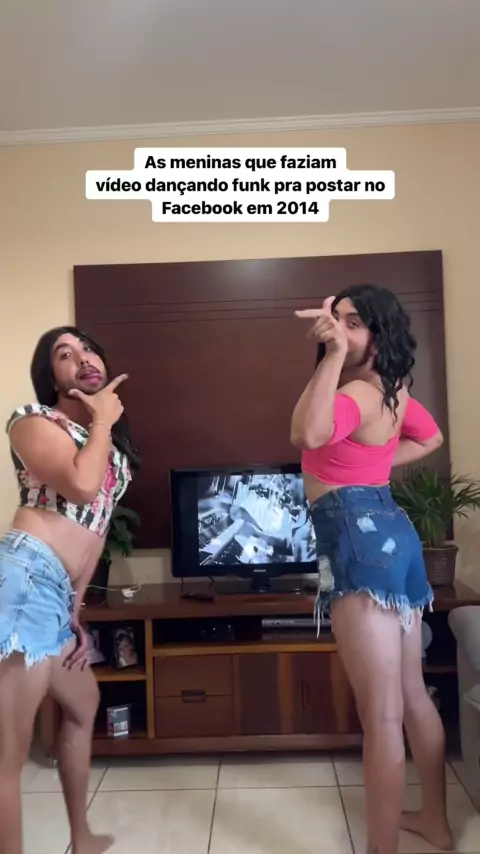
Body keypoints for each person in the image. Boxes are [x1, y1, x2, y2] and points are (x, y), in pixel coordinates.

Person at [290, 285, 453, 854]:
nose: (339, 328)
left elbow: (306, 433)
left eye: (353, 322)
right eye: (336, 319)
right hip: (393, 531)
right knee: (411, 695)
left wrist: (333, 354)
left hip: (357, 536)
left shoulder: (355, 391)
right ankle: (434, 821)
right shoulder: (393, 390)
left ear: (380, 335)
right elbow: (430, 437)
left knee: (382, 716)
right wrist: (374, 462)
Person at [0, 326, 140, 854]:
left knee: (84, 705)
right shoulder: (33, 420)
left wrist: (74, 609)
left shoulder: (111, 451)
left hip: (54, 592)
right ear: (52, 377)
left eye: (88, 349)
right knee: (9, 754)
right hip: (24, 576)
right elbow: (80, 487)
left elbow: (96, 528)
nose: (82, 357)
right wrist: (102, 419)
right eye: (65, 354)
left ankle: (81, 837)